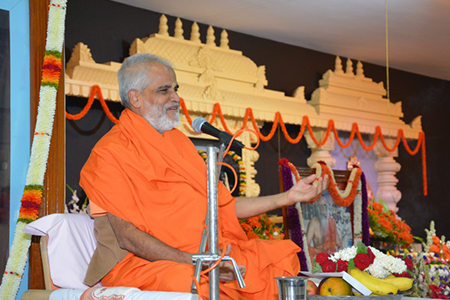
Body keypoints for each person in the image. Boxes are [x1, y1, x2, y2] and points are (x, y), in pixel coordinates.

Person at [80, 53, 328, 300]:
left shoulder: (179, 142)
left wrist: (287, 197)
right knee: (188, 282)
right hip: (143, 263)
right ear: (135, 97)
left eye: (175, 89)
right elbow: (128, 237)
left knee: (276, 262)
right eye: (164, 90)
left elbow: (223, 206)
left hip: (203, 255)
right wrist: (200, 262)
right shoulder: (109, 153)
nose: (176, 98)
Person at [305, 196, 341, 262]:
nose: (323, 208)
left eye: (324, 205)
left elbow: (339, 245)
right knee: (310, 250)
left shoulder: (331, 222)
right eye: (320, 206)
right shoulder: (314, 222)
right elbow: (306, 244)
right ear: (317, 208)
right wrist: (318, 251)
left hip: (331, 259)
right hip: (319, 259)